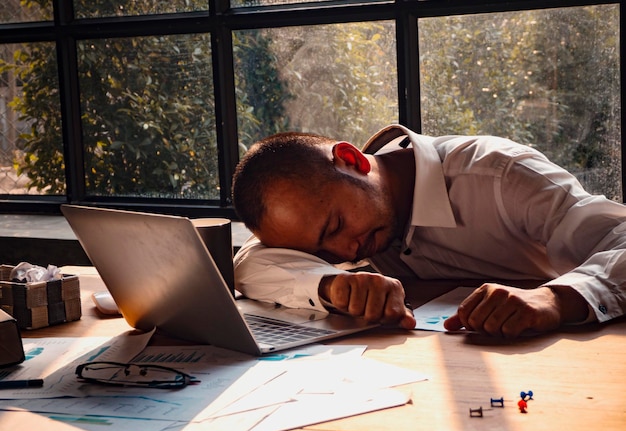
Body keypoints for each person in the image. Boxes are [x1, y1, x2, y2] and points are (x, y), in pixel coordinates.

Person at [231, 124, 626, 338]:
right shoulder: (331, 227)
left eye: (336, 225)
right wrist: (330, 284)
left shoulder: (500, 175)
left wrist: (554, 300)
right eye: (325, 249)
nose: (345, 249)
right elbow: (250, 264)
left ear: (352, 160)